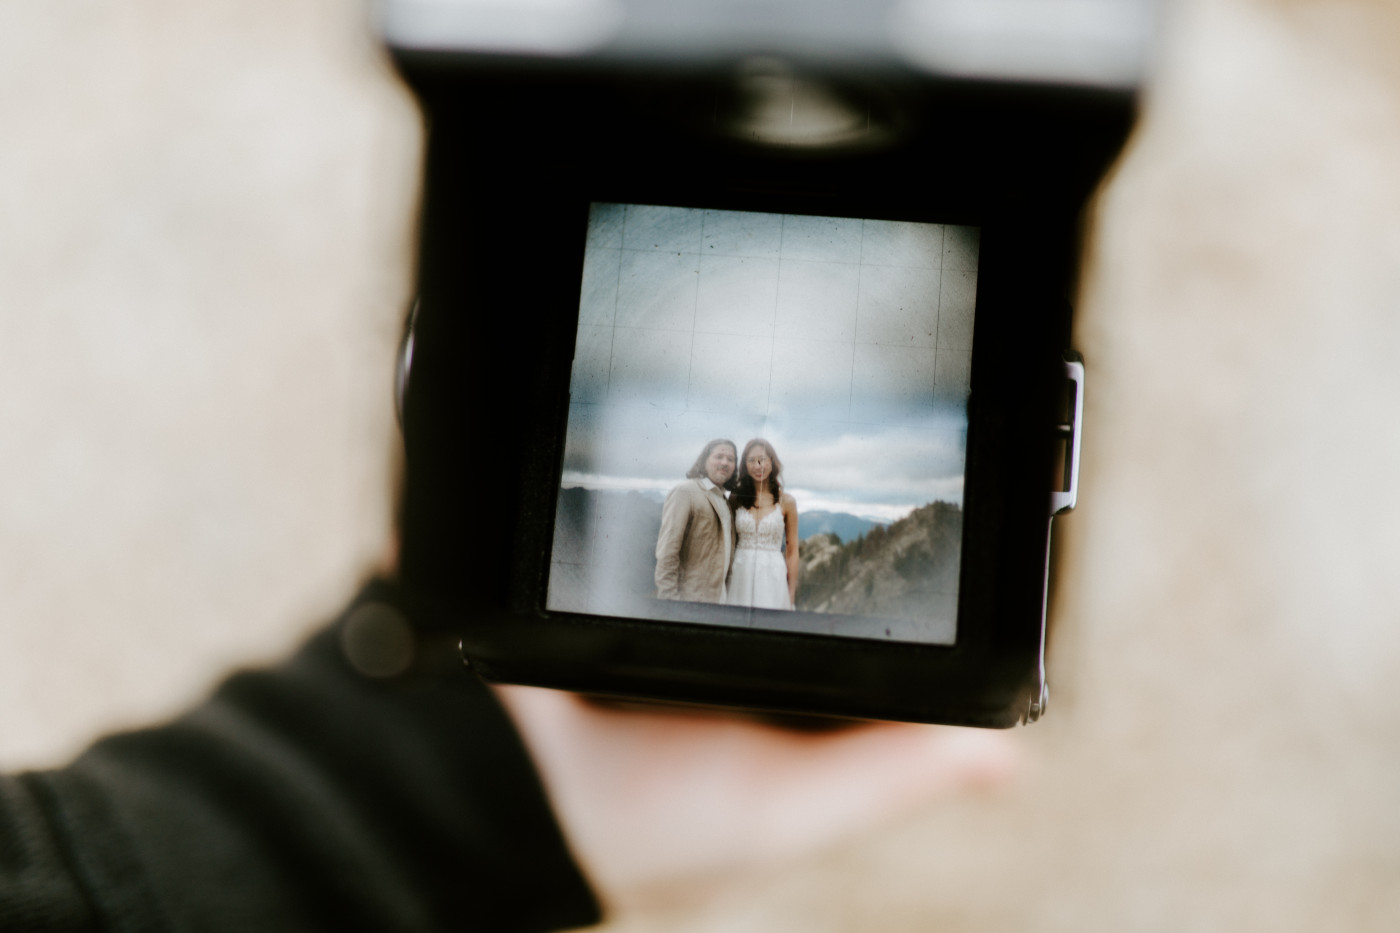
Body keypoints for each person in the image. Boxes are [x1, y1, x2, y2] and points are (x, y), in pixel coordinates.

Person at [653, 438, 737, 603]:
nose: (725, 462)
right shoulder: (685, 492)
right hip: (688, 602)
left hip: (720, 601)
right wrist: (669, 604)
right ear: (704, 460)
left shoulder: (725, 501)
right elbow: (667, 554)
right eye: (719, 456)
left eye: (731, 459)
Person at [727, 439, 800, 610]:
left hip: (773, 576)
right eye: (751, 460)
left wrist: (790, 594)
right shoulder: (736, 498)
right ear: (744, 465)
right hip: (740, 573)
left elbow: (792, 550)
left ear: (772, 462)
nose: (757, 465)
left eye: (762, 459)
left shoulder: (787, 501)